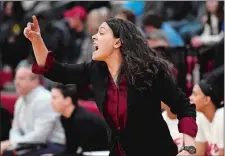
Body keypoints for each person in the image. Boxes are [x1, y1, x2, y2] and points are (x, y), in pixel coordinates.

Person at [24, 15, 197, 156]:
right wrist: (36, 40)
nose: (94, 36)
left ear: (117, 42)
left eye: (101, 33)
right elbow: (56, 71)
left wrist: (188, 148)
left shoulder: (150, 72)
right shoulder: (96, 70)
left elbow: (184, 106)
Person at [0, 64, 65, 156]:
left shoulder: (45, 99)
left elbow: (40, 136)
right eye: (16, 78)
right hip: (30, 145)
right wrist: (14, 142)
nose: (16, 82)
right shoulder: (20, 101)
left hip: (53, 146)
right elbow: (15, 129)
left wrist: (12, 142)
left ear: (35, 81)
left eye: (21, 78)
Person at [50, 83, 109, 156]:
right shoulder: (64, 118)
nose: (51, 102)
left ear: (67, 100)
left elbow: (87, 150)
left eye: (54, 98)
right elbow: (71, 149)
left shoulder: (83, 120)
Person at [189, 66, 224, 156]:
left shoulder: (221, 116)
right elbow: (199, 153)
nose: (190, 98)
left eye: (195, 94)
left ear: (207, 100)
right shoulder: (201, 118)